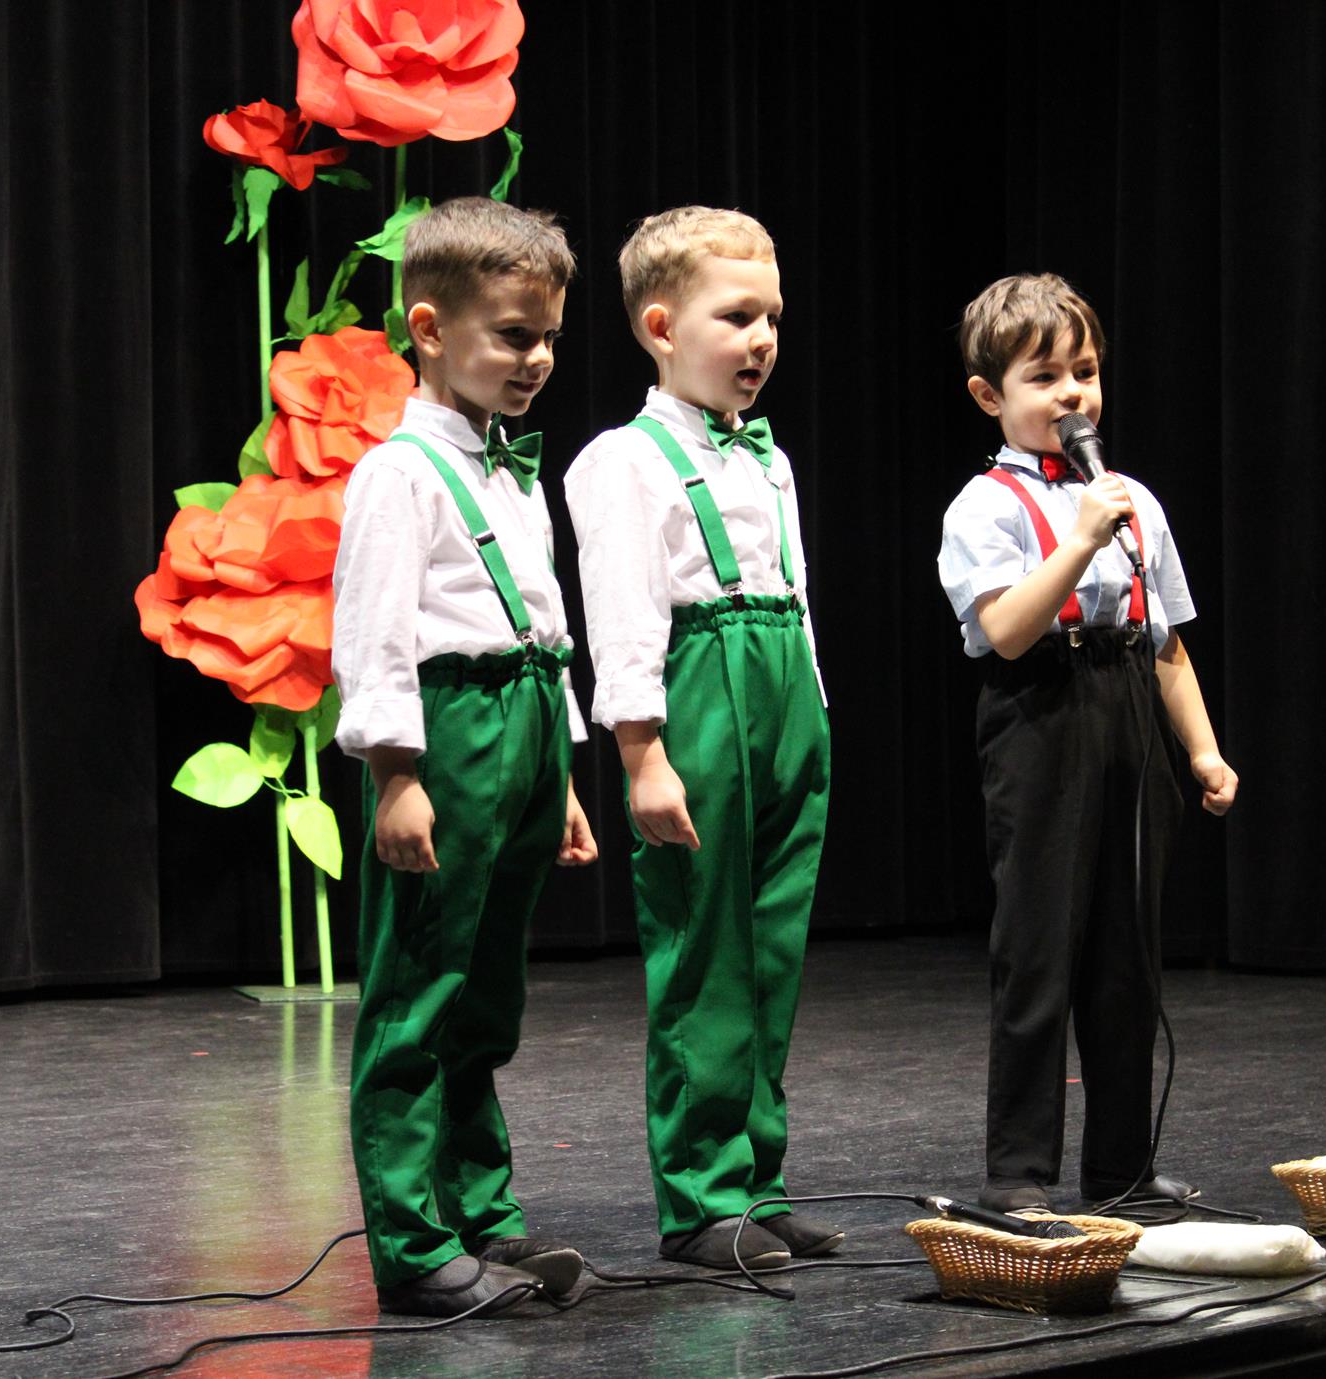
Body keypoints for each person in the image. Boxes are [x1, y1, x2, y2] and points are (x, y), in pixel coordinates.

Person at [332, 197, 599, 1317]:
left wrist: (564, 770)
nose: (536, 359)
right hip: (447, 728)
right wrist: (396, 774)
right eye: (512, 335)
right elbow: (374, 635)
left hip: (525, 724)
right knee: (421, 989)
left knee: (487, 994)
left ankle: (481, 1212)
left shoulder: (510, 467)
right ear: (431, 329)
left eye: (548, 338)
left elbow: (540, 614)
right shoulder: (397, 474)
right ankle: (412, 1241)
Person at [564, 206, 837, 1271]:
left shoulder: (769, 459)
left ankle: (759, 1180)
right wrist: (642, 757)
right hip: (700, 696)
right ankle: (700, 1201)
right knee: (703, 954)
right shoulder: (621, 462)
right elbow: (624, 619)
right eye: (737, 316)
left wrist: (813, 713)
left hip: (784, 699)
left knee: (770, 951)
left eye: (773, 316)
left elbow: (794, 592)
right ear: (661, 326)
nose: (762, 338)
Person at [935, 273, 1238, 1215]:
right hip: (1041, 709)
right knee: (1040, 950)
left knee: (1127, 956)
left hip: (1128, 706)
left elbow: (1167, 640)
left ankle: (1121, 1168)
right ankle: (1019, 1173)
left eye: (1086, 372)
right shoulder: (984, 506)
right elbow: (1007, 630)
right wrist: (1076, 540)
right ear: (990, 395)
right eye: (1045, 377)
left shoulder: (1130, 498)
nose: (1072, 394)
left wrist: (1204, 751)